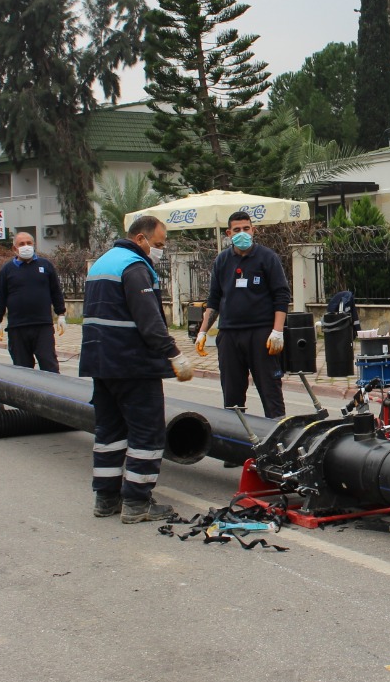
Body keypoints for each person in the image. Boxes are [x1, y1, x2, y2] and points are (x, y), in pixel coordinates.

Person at [79, 216, 193, 523]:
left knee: (110, 432)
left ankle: (106, 499)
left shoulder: (102, 263)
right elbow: (149, 320)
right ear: (140, 239)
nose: (160, 250)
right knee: (147, 433)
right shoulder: (134, 267)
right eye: (158, 244)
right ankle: (137, 502)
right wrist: (174, 354)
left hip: (100, 363)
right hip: (132, 363)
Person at [197, 211, 291, 419]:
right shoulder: (222, 261)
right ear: (229, 233)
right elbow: (214, 300)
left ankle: (279, 438)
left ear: (253, 230)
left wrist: (277, 331)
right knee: (232, 395)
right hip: (229, 335)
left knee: (270, 391)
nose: (242, 233)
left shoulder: (267, 258)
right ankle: (237, 439)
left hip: (262, 335)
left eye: (246, 229)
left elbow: (281, 296)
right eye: (237, 230)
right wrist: (203, 332)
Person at [0, 232, 67, 372]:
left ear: (34, 245)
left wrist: (61, 313)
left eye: (29, 243)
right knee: (22, 370)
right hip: (17, 328)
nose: (26, 246)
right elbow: (0, 296)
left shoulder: (46, 266)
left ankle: (52, 393)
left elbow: (56, 291)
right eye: (21, 244)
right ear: (15, 249)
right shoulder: (7, 270)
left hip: (42, 326)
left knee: (49, 365)